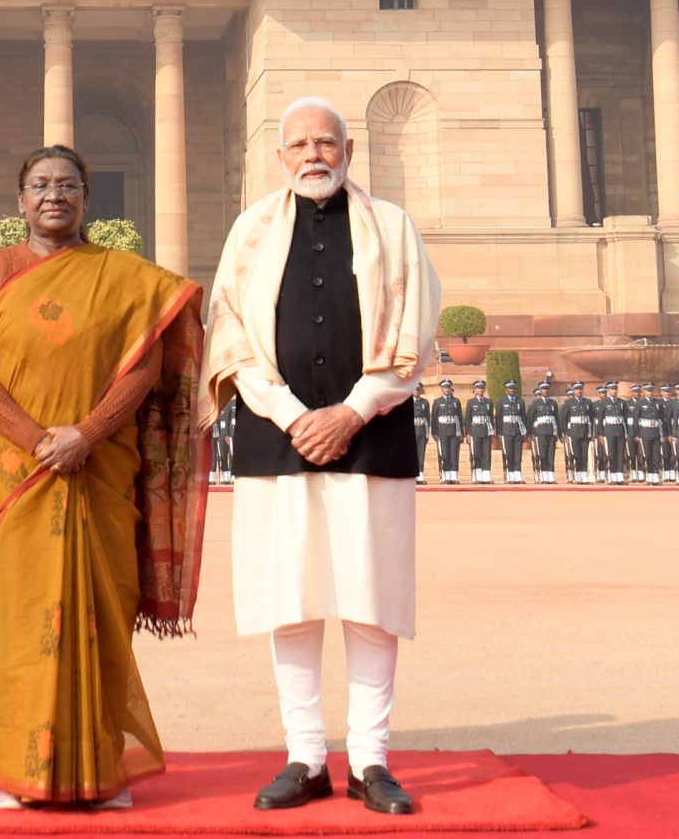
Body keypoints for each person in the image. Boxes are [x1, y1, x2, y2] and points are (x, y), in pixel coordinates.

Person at [203, 96, 440, 819]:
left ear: (349, 151)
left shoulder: (393, 228)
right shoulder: (250, 231)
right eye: (300, 143)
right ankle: (305, 754)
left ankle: (370, 758)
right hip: (279, 439)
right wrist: (295, 416)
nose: (314, 154)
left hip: (372, 433)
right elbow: (231, 337)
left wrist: (351, 411)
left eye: (327, 142)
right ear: (281, 157)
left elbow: (416, 333)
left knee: (371, 603)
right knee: (292, 599)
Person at [0, 144, 204, 811]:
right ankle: (18, 770)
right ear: (20, 199)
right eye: (40, 184)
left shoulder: (122, 276)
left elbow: (144, 366)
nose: (53, 195)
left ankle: (100, 768)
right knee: (13, 622)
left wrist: (86, 434)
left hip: (98, 472)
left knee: (99, 619)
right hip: (18, 477)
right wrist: (37, 439)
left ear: (88, 196)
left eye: (67, 184)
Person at [428, 379, 461, 486]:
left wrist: (461, 433)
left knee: (454, 454)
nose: (447, 389)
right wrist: (434, 433)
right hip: (442, 432)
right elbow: (434, 418)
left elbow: (460, 417)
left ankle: (454, 476)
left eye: (448, 387)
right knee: (444, 454)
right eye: (445, 388)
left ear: (450, 388)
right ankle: (445, 476)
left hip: (454, 431)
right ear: (442, 389)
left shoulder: (456, 401)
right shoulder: (437, 402)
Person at [528, 379, 560, 484]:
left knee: (551, 454)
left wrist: (558, 433)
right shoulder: (535, 404)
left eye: (546, 389)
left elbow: (556, 418)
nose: (545, 391)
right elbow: (530, 419)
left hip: (551, 432)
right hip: (540, 432)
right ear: (540, 390)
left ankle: (550, 475)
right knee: (542, 454)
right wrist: (530, 433)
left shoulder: (553, 403)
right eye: (543, 389)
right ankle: (543, 475)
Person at [497, 379, 528, 484]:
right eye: (510, 388)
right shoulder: (502, 401)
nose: (512, 390)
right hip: (506, 431)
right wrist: (499, 433)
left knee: (517, 454)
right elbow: (498, 418)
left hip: (518, 431)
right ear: (506, 390)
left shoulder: (520, 401)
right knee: (508, 454)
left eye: (513, 388)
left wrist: (525, 433)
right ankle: (509, 476)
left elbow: (523, 417)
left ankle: (517, 475)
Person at [563, 382, 594, 484]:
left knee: (584, 455)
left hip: (585, 432)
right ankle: (577, 475)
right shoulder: (569, 403)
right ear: (573, 391)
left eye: (580, 389)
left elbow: (591, 418)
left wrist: (592, 433)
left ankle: (584, 475)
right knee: (576, 455)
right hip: (574, 432)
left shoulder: (588, 402)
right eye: (577, 389)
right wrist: (565, 433)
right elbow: (564, 419)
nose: (579, 391)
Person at [464, 379, 494, 485]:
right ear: (475, 390)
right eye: (478, 388)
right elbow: (467, 418)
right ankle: (476, 476)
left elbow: (490, 417)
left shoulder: (489, 402)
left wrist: (492, 432)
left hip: (486, 431)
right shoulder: (471, 402)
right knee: (476, 454)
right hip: (475, 431)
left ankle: (486, 477)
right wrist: (467, 433)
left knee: (487, 454)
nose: (480, 390)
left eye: (482, 388)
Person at [597, 382, 628, 485]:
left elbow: (625, 419)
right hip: (609, 431)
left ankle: (619, 476)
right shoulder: (604, 402)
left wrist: (626, 433)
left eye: (616, 389)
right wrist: (600, 434)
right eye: (612, 389)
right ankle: (612, 476)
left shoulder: (622, 403)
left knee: (620, 454)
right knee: (611, 454)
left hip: (620, 431)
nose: (614, 391)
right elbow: (600, 420)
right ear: (609, 390)